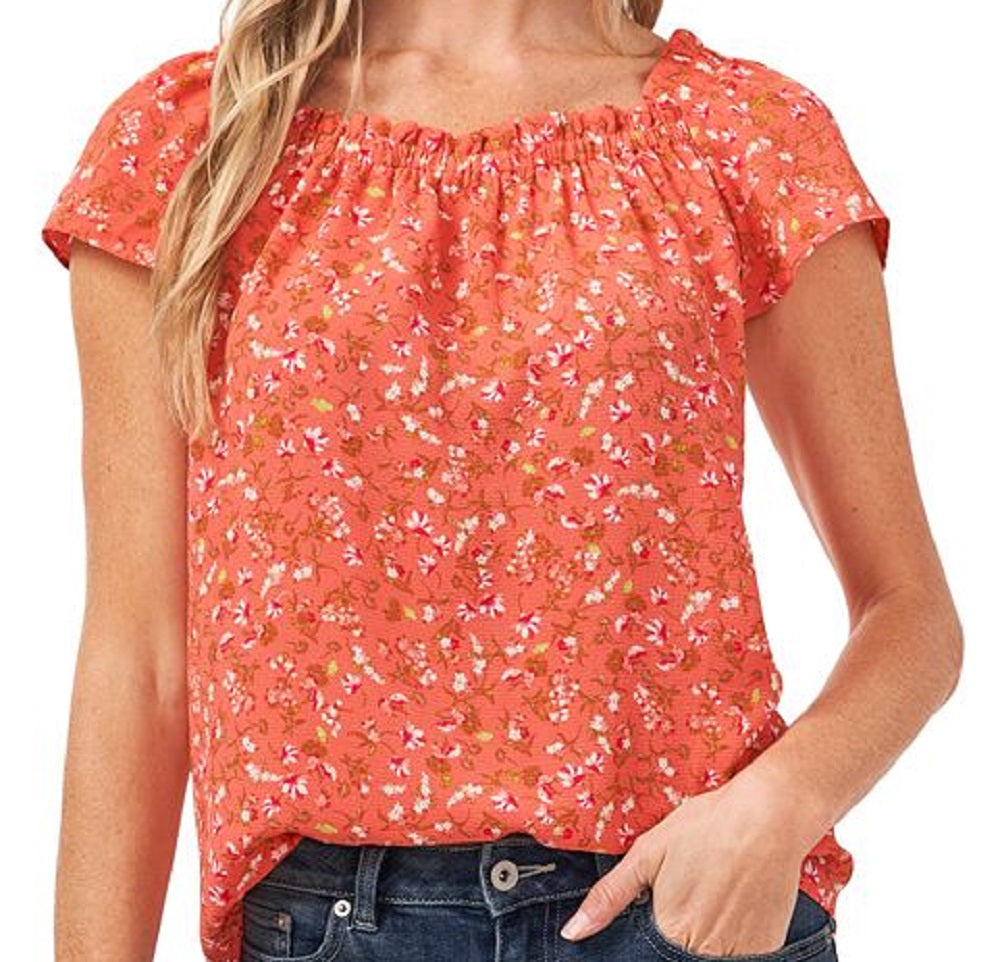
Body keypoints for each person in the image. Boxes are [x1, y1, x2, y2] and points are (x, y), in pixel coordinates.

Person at [40, 1, 963, 961]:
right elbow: (140, 660)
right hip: (333, 924)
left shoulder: (743, 135)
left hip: (683, 908)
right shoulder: (192, 140)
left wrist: (779, 805)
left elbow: (911, 612)